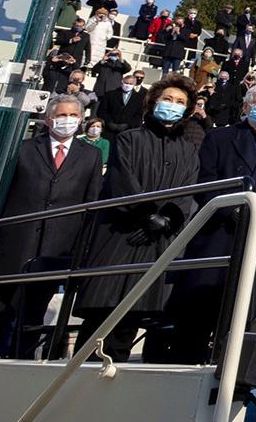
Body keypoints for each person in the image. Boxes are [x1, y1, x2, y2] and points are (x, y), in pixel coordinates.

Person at [0, 94, 103, 358]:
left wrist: (80, 250)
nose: (68, 120)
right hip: (14, 244)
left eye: (74, 116)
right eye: (62, 115)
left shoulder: (91, 155)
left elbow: (90, 203)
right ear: (49, 118)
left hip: (55, 250)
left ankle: (20, 364)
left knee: (33, 315)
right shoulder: (24, 149)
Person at [169, 82, 256, 362]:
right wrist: (232, 209)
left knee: (243, 313)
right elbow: (206, 181)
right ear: (245, 107)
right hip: (219, 233)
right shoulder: (219, 138)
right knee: (199, 312)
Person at [73, 75, 201, 361]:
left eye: (180, 102)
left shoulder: (189, 151)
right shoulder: (128, 139)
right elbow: (122, 181)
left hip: (157, 241)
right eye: (168, 99)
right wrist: (147, 216)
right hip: (121, 236)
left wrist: (167, 219)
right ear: (154, 102)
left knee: (132, 317)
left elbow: (187, 191)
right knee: (101, 316)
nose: (173, 105)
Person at [96, 68, 147, 139]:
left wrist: (127, 124)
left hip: (127, 133)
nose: (127, 85)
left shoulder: (140, 98)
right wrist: (109, 122)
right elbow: (101, 111)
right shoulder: (110, 94)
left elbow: (139, 116)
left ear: (134, 84)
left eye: (130, 84)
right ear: (122, 82)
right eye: (126, 83)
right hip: (108, 130)